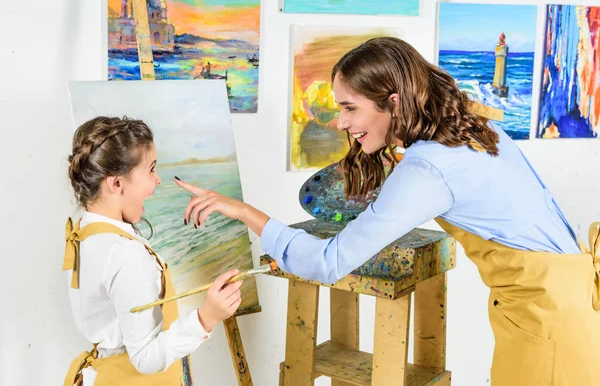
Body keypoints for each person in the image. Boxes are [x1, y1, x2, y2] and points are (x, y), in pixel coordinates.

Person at [174, 37, 600, 385]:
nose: (340, 123)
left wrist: (247, 212)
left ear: (393, 103)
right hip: (569, 297)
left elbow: (329, 263)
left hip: (549, 322)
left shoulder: (427, 169)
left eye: (349, 107)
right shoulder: (471, 124)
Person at [63, 116, 243, 386]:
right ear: (116, 184)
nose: (158, 180)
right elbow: (146, 358)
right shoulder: (123, 255)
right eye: (151, 169)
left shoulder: (86, 230)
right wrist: (207, 317)